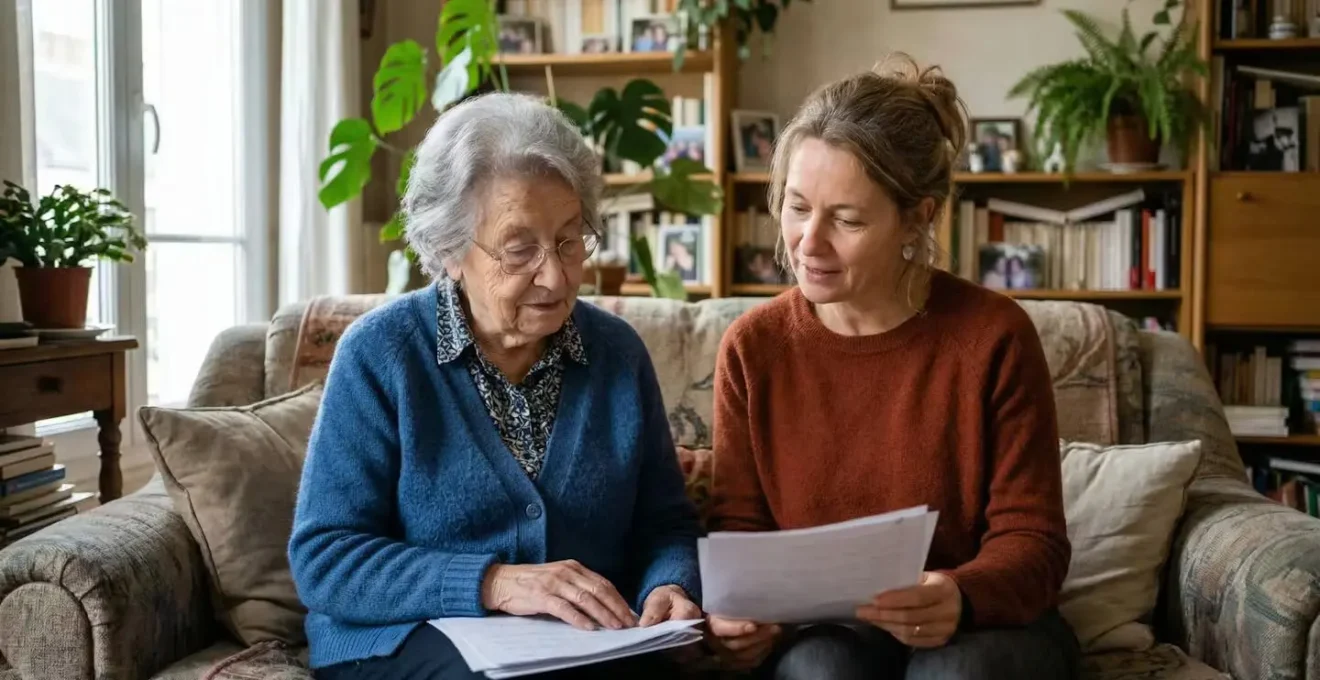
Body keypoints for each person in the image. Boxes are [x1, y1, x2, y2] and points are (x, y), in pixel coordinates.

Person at [289, 92, 703, 680]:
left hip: (578, 647)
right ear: (449, 250)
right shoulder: (381, 354)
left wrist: (670, 583)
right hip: (404, 641)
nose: (555, 275)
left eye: (568, 240)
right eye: (520, 249)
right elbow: (326, 558)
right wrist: (493, 583)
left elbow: (664, 523)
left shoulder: (618, 355)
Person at [703, 56, 1081, 679]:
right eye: (797, 208)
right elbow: (740, 532)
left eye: (846, 220)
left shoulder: (993, 337)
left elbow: (1034, 541)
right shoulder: (754, 347)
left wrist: (959, 596)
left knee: (953, 675)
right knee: (819, 670)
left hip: (984, 627)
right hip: (828, 633)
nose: (808, 243)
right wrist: (737, 617)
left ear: (918, 217)